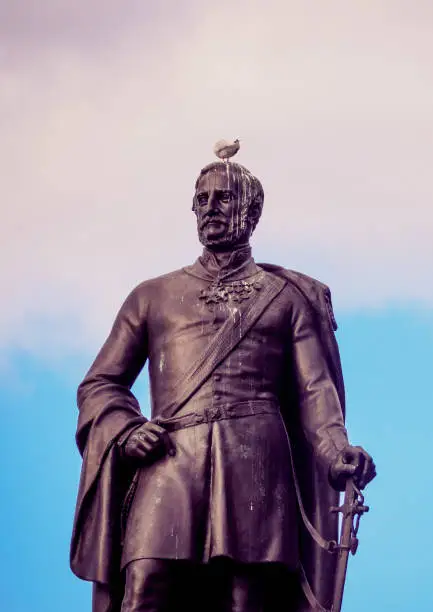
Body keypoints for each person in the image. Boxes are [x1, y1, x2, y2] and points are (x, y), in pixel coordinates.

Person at [70, 158, 376, 612]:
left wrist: (336, 454)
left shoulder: (286, 299)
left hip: (255, 465)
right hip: (171, 463)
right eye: (201, 200)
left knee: (245, 598)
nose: (210, 208)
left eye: (224, 198)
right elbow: (100, 383)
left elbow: (316, 393)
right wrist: (128, 430)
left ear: (252, 212)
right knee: (144, 585)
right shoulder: (152, 296)